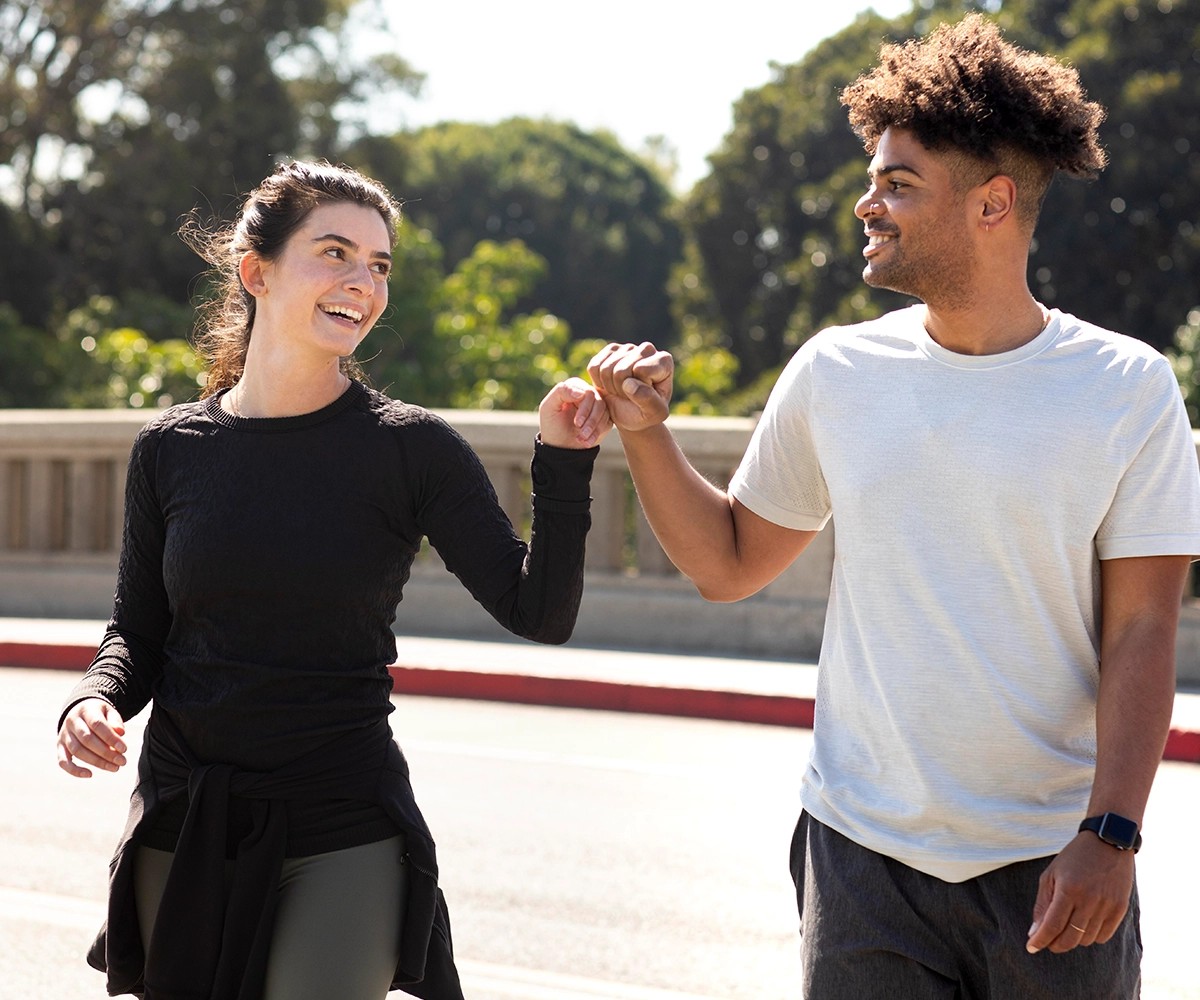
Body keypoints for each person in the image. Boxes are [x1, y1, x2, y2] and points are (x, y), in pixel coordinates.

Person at [588, 14, 1200, 999]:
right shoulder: (837, 371)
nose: (867, 203)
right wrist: (646, 432)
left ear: (994, 203)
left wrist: (1112, 831)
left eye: (898, 183)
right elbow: (729, 562)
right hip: (861, 857)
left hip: (1054, 861)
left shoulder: (1124, 388)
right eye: (872, 178)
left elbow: (1141, 631)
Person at [55, 159, 611, 1000]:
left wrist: (563, 465)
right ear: (257, 272)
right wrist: (91, 700)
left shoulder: (409, 449)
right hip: (185, 816)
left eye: (379, 265)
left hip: (341, 818)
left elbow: (540, 611)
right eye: (337, 253)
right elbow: (139, 629)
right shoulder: (170, 449)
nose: (363, 282)